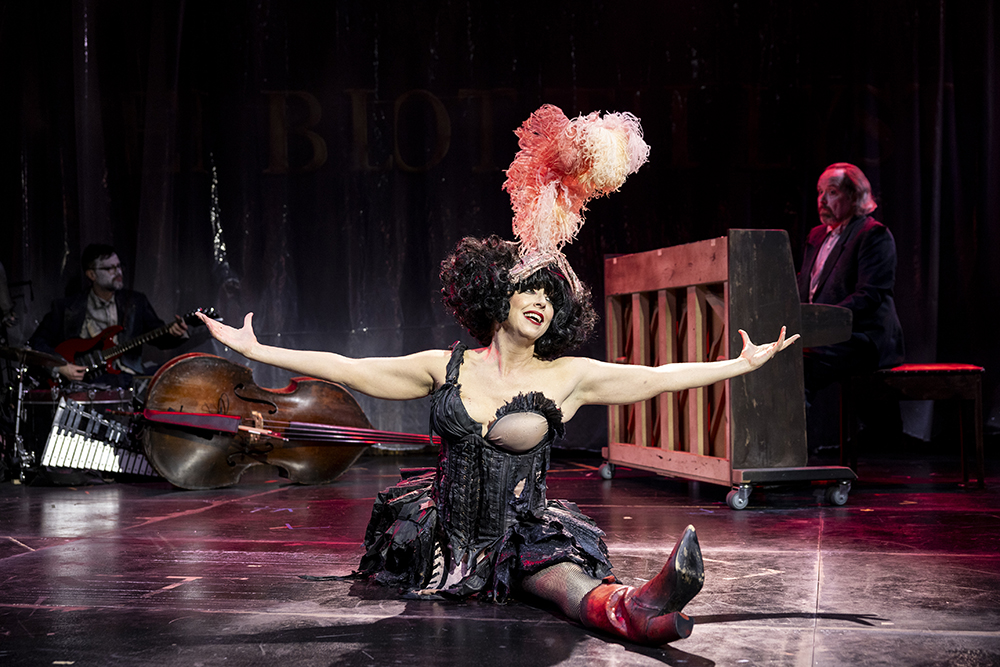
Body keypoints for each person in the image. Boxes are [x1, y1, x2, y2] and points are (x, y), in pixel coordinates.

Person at [198, 105, 799, 646]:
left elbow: (659, 377)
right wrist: (260, 349)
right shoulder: (446, 366)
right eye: (528, 290)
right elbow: (349, 370)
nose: (540, 302)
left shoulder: (570, 376)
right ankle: (634, 611)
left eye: (551, 297)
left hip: (520, 536)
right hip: (441, 537)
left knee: (563, 583)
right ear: (495, 298)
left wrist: (739, 364)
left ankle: (637, 608)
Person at [796, 163, 905, 406]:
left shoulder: (873, 234)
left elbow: (868, 296)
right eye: (820, 192)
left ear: (854, 196)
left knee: (798, 365)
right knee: (779, 356)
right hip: (826, 336)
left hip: (862, 339)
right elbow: (804, 286)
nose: (822, 200)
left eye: (832, 192)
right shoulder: (817, 235)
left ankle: (793, 432)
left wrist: (821, 321)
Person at [28, 244, 189, 388]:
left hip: (127, 377)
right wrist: (61, 366)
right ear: (92, 275)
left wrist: (176, 333)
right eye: (110, 268)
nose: (118, 272)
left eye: (119, 266)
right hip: (85, 382)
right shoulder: (67, 307)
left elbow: (158, 336)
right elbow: (37, 342)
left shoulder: (135, 302)